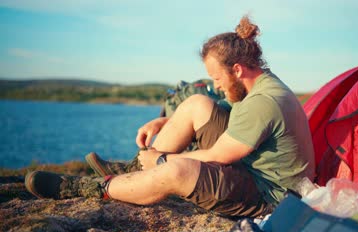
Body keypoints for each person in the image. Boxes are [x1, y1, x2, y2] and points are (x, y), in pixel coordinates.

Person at [24, 16, 316, 218]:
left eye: (217, 77)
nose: (216, 85)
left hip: (270, 198)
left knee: (177, 172)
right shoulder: (259, 84)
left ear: (238, 69)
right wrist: (163, 122)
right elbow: (227, 110)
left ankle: (94, 188)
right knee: (197, 102)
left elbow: (219, 155)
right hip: (252, 169)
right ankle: (135, 169)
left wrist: (163, 161)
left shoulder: (263, 101)